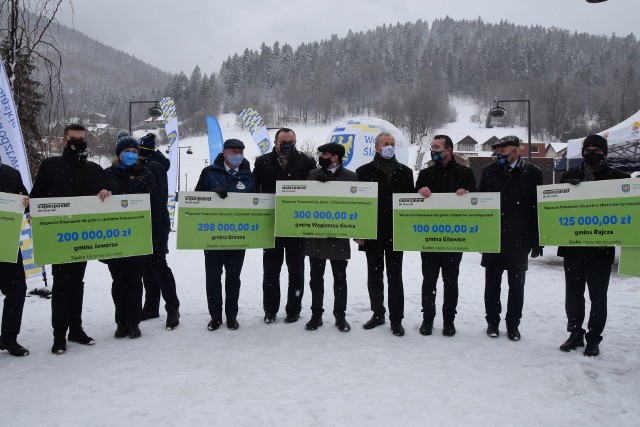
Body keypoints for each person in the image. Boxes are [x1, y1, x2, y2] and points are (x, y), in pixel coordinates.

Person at [31, 123, 107, 355]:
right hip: (58, 238)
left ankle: (76, 328)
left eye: (82, 139)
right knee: (62, 285)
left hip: (83, 238)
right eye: (74, 138)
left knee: (77, 284)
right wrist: (31, 208)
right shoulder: (51, 166)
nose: (78, 142)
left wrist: (107, 193)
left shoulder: (94, 169)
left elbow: (107, 197)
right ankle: (59, 335)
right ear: (64, 141)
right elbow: (37, 198)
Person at [557, 135, 630, 357]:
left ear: (605, 154)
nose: (592, 153)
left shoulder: (619, 178)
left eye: (597, 150)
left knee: (598, 297)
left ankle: (594, 338)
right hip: (573, 247)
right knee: (573, 295)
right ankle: (575, 333)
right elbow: (557, 206)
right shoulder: (569, 175)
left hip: (600, 249)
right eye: (588, 149)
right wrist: (569, 191)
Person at [478, 135, 543, 341]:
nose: (499, 154)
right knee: (492, 284)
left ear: (516, 151)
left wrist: (537, 239)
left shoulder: (533, 173)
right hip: (494, 237)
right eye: (497, 151)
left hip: (519, 238)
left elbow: (537, 208)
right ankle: (492, 322)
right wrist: (481, 236)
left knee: (516, 286)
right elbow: (481, 205)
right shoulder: (489, 171)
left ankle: (513, 324)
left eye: (503, 151)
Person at [414, 135, 477, 337]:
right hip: (430, 238)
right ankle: (428, 319)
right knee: (429, 280)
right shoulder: (425, 173)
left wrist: (466, 194)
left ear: (448, 150)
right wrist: (419, 191)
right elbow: (412, 201)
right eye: (432, 146)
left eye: (437, 147)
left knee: (451, 281)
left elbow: (476, 200)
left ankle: (449, 320)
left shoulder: (465, 173)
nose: (434, 149)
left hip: (454, 238)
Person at [253, 128, 316, 324]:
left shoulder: (306, 161)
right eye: (284, 141)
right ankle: (270, 310)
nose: (288, 144)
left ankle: (293, 310)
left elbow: (315, 189)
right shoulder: (262, 162)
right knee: (271, 271)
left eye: (292, 141)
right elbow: (254, 188)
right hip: (270, 225)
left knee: (296, 271)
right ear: (275, 142)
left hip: (296, 226)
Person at [103, 135, 162, 339]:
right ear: (118, 154)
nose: (131, 155)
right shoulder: (107, 175)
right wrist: (100, 194)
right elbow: (96, 205)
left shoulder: (145, 174)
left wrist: (153, 237)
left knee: (136, 282)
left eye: (134, 152)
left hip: (138, 239)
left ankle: (134, 322)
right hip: (115, 238)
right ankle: (121, 322)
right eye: (127, 151)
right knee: (118, 282)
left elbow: (154, 207)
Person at [355, 132, 414, 336]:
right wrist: (358, 231)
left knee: (395, 276)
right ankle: (378, 313)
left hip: (397, 233)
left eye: (392, 144)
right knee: (374, 276)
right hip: (372, 232)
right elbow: (359, 206)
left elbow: (411, 204)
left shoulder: (405, 172)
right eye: (386, 144)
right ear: (377, 147)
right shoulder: (363, 172)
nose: (390, 146)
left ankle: (396, 319)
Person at [195, 139, 255, 331]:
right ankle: (215, 316)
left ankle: (231, 316)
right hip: (212, 236)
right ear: (224, 152)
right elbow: (196, 199)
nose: (237, 155)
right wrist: (212, 195)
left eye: (240, 152)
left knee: (233, 279)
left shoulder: (248, 176)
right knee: (212, 278)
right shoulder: (209, 173)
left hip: (238, 237)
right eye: (233, 151)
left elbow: (257, 202)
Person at [304, 143, 358, 333]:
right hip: (316, 235)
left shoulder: (351, 177)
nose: (322, 156)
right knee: (316, 277)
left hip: (338, 235)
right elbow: (303, 202)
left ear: (335, 157)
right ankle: (316, 315)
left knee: (340, 278)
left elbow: (358, 207)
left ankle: (340, 316)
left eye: (325, 154)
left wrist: (359, 231)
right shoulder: (312, 175)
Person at [137, 133, 181, 330]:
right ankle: (151, 306)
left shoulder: (152, 167)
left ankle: (172, 307)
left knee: (158, 265)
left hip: (156, 223)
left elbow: (155, 199)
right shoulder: (151, 164)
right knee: (148, 266)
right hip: (147, 222)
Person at [0, 162, 30, 356]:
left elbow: (26, 202)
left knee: (17, 290)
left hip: (5, 242)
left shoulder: (10, 174)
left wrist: (25, 201)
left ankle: (9, 338)